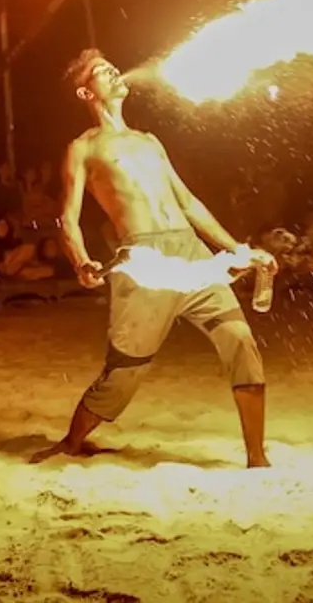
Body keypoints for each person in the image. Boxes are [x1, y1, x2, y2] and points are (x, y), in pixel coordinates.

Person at [33, 49, 277, 469]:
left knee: (241, 341)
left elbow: (189, 203)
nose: (114, 72)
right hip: (145, 262)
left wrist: (236, 250)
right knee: (125, 370)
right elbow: (67, 217)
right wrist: (81, 260)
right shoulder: (83, 148)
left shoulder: (149, 141)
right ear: (85, 92)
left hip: (192, 253)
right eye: (101, 71)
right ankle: (72, 442)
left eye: (113, 66)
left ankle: (257, 457)